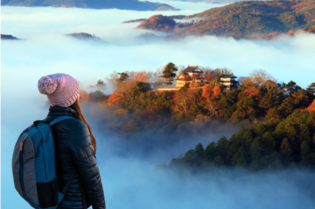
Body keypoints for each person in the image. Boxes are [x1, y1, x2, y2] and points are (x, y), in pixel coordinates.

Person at [38, 73, 106, 209]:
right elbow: (91, 175)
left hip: (52, 202)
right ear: (73, 97)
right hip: (73, 203)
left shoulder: (47, 123)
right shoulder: (75, 127)